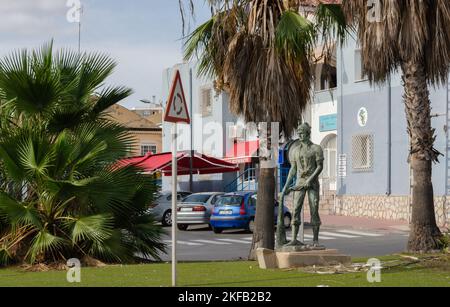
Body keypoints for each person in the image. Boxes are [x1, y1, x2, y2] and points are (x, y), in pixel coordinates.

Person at [279, 123, 324, 247]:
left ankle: (315, 240)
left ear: (308, 133)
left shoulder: (316, 148)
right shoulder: (295, 150)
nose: (300, 135)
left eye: (302, 132)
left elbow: (320, 167)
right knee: (296, 209)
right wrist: (285, 187)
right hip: (300, 181)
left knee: (314, 209)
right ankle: (294, 239)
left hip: (312, 182)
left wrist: (310, 179)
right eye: (298, 133)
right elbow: (293, 169)